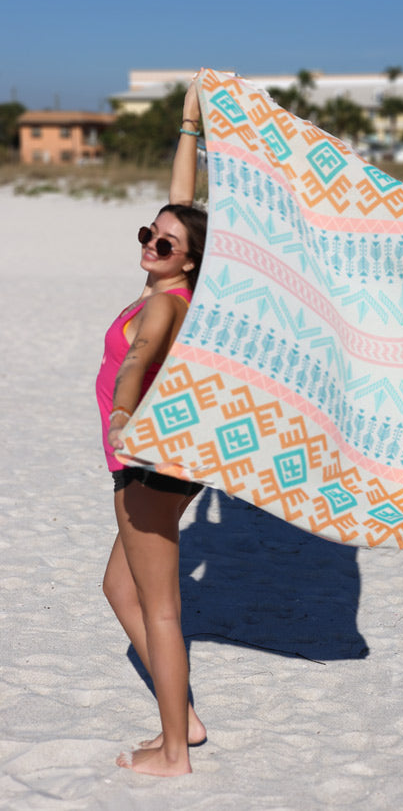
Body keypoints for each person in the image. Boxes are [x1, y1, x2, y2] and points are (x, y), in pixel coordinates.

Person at [96, 82, 207, 777]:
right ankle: (183, 717)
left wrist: (121, 413)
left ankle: (173, 751)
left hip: (145, 461)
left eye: (165, 242)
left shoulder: (166, 307)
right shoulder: (172, 286)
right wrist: (189, 125)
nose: (153, 243)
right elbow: (182, 204)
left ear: (187, 259)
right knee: (118, 587)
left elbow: (137, 356)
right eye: (147, 232)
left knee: (160, 610)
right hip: (163, 462)